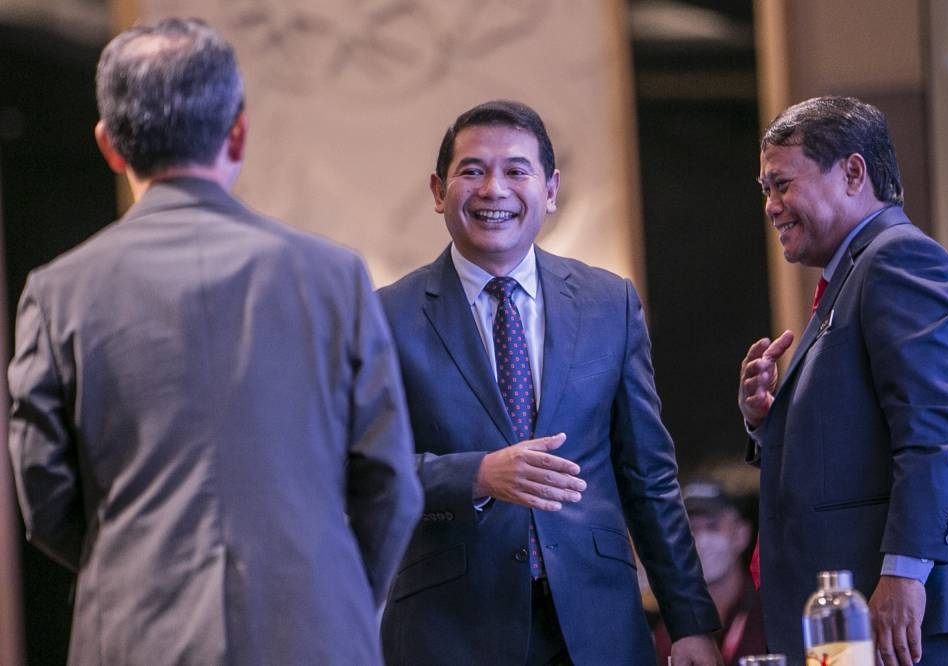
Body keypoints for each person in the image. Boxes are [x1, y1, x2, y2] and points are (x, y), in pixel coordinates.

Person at [6, 18, 421, 665]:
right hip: (315, 637)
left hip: (132, 636)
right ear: (239, 131)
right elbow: (391, 480)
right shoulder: (334, 277)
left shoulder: (57, 291)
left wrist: (131, 572)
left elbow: (43, 494)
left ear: (109, 144)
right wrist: (328, 595)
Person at [377, 99, 722, 666]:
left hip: (596, 625)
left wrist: (689, 622)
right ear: (439, 192)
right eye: (472, 170)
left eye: (517, 170)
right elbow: (359, 471)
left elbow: (648, 478)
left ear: (551, 189)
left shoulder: (610, 303)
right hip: (450, 630)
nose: (494, 189)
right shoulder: (385, 317)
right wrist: (477, 475)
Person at [738, 96, 948, 665]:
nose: (771, 206)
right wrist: (767, 420)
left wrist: (903, 576)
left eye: (782, 184)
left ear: (853, 172)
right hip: (854, 618)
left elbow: (933, 433)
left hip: (901, 619)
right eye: (765, 189)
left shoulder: (898, 260)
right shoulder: (852, 275)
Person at [652, 480, 765, 666]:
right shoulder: (672, 629)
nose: (701, 539)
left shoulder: (767, 615)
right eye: (690, 529)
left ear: (741, 534)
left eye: (712, 526)